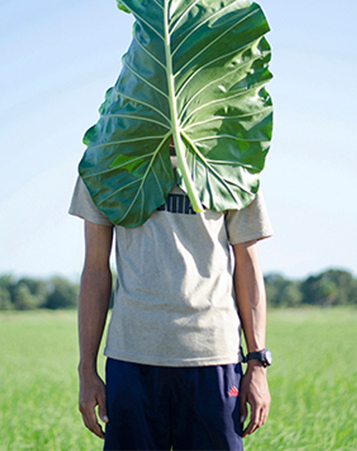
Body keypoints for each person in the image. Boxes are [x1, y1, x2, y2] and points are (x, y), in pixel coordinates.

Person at [71, 149, 273, 450]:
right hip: (132, 356)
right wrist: (86, 371)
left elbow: (247, 267)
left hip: (213, 356)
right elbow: (95, 270)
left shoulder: (230, 159)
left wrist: (257, 364)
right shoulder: (108, 160)